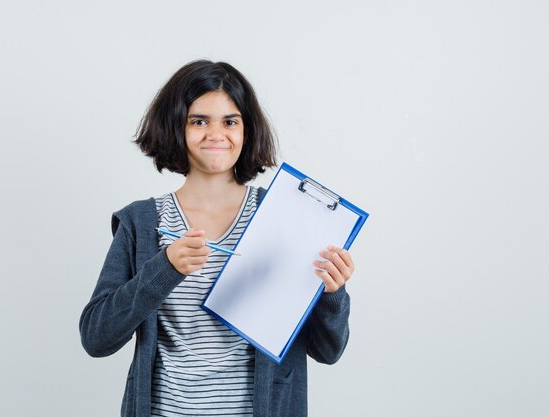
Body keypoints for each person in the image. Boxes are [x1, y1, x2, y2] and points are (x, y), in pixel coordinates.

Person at [79, 60, 355, 417]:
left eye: (230, 121)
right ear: (175, 126)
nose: (215, 133)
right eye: (199, 121)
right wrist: (164, 268)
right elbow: (96, 338)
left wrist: (333, 294)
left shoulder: (284, 218)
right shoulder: (141, 222)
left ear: (247, 130)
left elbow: (327, 351)